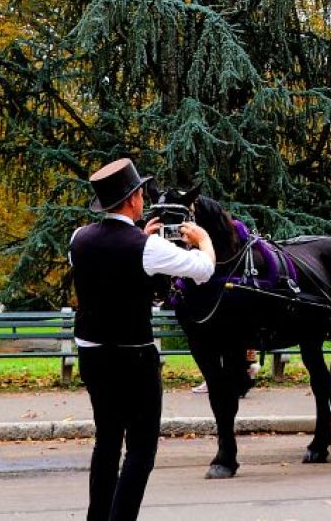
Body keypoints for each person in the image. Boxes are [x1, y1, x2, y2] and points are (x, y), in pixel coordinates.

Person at [71, 158, 216, 521]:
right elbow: (204, 269)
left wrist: (142, 238)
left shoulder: (78, 240)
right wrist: (203, 240)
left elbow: (110, 274)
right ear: (133, 199)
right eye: (140, 193)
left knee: (106, 441)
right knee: (140, 448)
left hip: (91, 355)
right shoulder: (146, 247)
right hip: (133, 358)